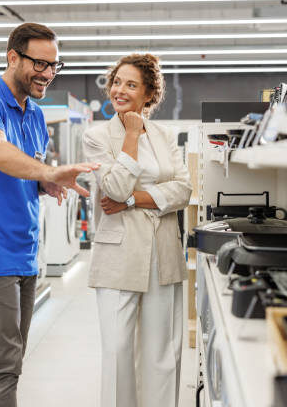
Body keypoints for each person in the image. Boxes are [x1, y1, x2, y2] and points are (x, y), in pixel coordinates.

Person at [0, 23, 99, 407]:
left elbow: (25, 168)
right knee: (4, 365)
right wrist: (46, 172)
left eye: (54, 65)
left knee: (1, 361)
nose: (47, 73)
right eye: (39, 63)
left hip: (25, 251)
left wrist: (44, 182)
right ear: (12, 57)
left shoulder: (34, 114)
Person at [83, 54, 192, 407]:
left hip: (163, 252)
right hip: (119, 254)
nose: (120, 90)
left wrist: (133, 201)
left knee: (162, 352)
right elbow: (114, 188)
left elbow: (184, 190)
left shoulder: (164, 134)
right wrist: (130, 134)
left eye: (131, 84)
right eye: (117, 82)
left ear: (148, 94)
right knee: (118, 351)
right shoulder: (97, 136)